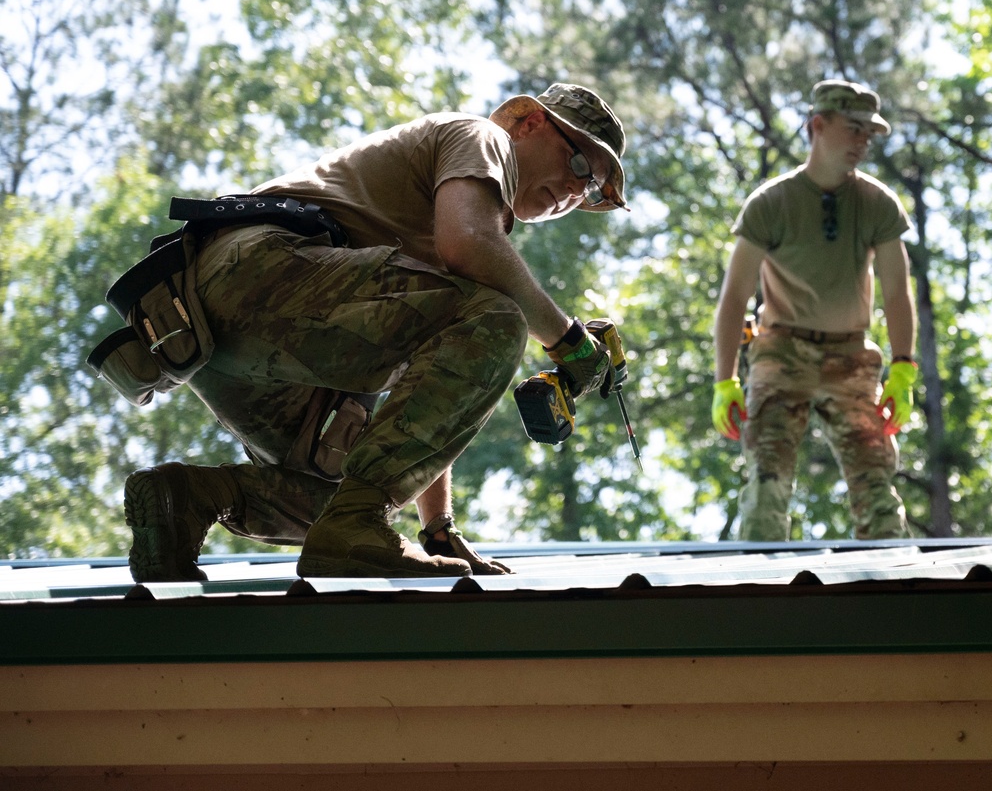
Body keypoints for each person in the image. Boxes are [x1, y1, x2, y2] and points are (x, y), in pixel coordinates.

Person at [117, 83, 628, 581]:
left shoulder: (458, 232)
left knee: (345, 492)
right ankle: (355, 522)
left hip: (201, 332)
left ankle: (186, 500)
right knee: (498, 318)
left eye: (590, 190)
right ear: (529, 123)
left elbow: (431, 386)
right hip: (258, 270)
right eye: (579, 163)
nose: (574, 191)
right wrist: (568, 342)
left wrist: (437, 529)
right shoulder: (481, 139)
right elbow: (470, 247)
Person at [711, 79, 917, 541]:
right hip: (781, 354)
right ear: (817, 126)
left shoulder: (877, 203)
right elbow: (734, 298)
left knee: (877, 487)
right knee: (767, 484)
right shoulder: (771, 203)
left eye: (870, 133)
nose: (864, 142)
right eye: (855, 129)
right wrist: (724, 381)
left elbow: (897, 291)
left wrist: (904, 369)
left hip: (851, 358)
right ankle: (760, 597)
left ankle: (897, 598)